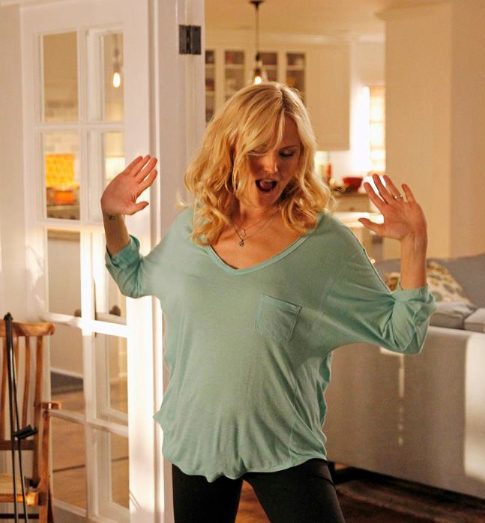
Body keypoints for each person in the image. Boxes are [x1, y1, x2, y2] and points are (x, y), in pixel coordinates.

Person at [101, 82, 435, 522]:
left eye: (287, 153)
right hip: (200, 434)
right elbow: (132, 277)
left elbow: (404, 333)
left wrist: (414, 241)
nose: (272, 166)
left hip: (285, 443)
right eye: (258, 150)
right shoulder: (192, 228)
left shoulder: (325, 244)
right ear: (229, 148)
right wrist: (111, 215)